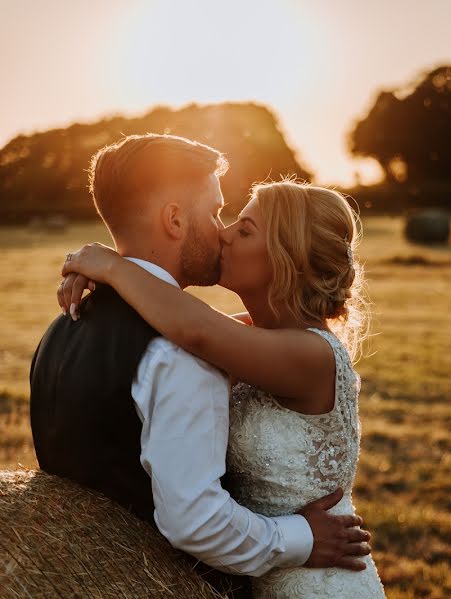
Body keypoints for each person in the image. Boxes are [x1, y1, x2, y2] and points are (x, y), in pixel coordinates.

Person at [32, 134, 373, 598]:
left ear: (285, 259)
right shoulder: (211, 344)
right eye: (217, 213)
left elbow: (201, 331)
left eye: (243, 227)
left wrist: (111, 267)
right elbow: (201, 330)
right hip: (270, 562)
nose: (224, 231)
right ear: (174, 218)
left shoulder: (64, 330)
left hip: (319, 578)